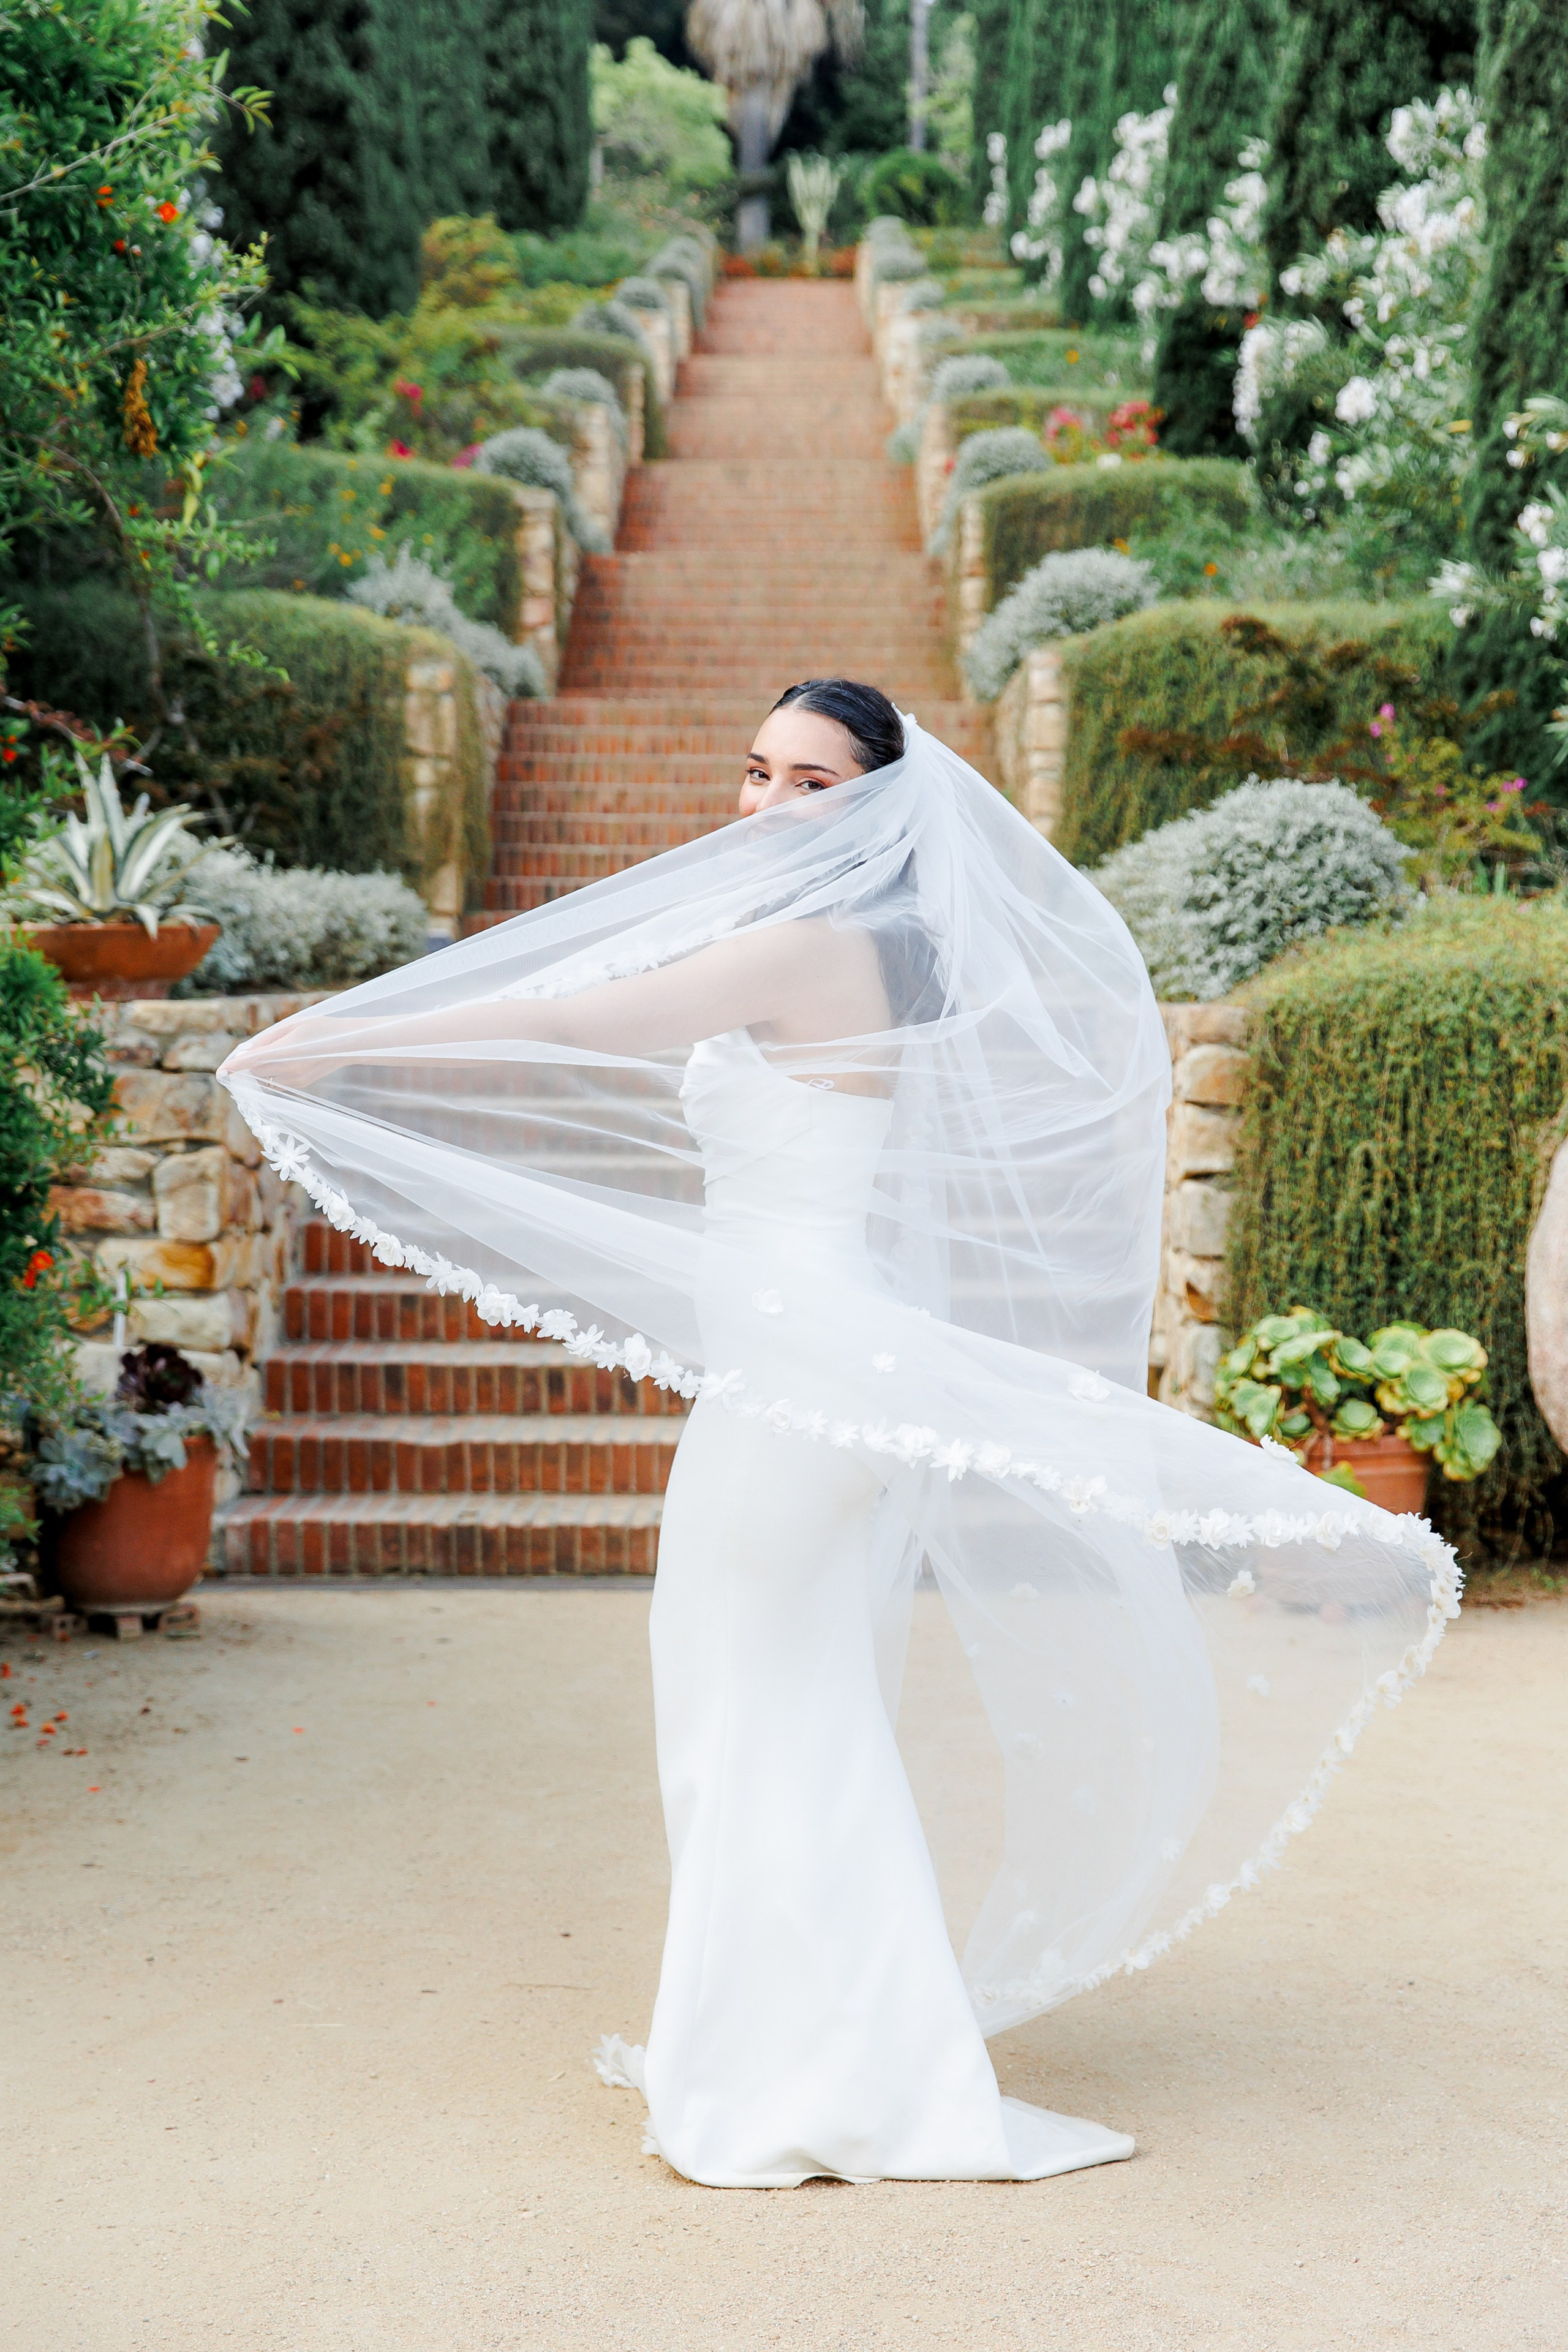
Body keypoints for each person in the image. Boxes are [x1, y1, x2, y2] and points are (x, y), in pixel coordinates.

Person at [220, 679, 1459, 2189]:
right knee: (778, 1707)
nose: (763, 805)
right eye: (753, 773)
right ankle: (801, 2050)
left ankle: (816, 2070)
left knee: (749, 1709)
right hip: (801, 1371)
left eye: (809, 783)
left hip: (802, 1382)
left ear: (873, 806)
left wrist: (339, 1041)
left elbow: (574, 1019)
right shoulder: (851, 946)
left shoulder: (806, 949)